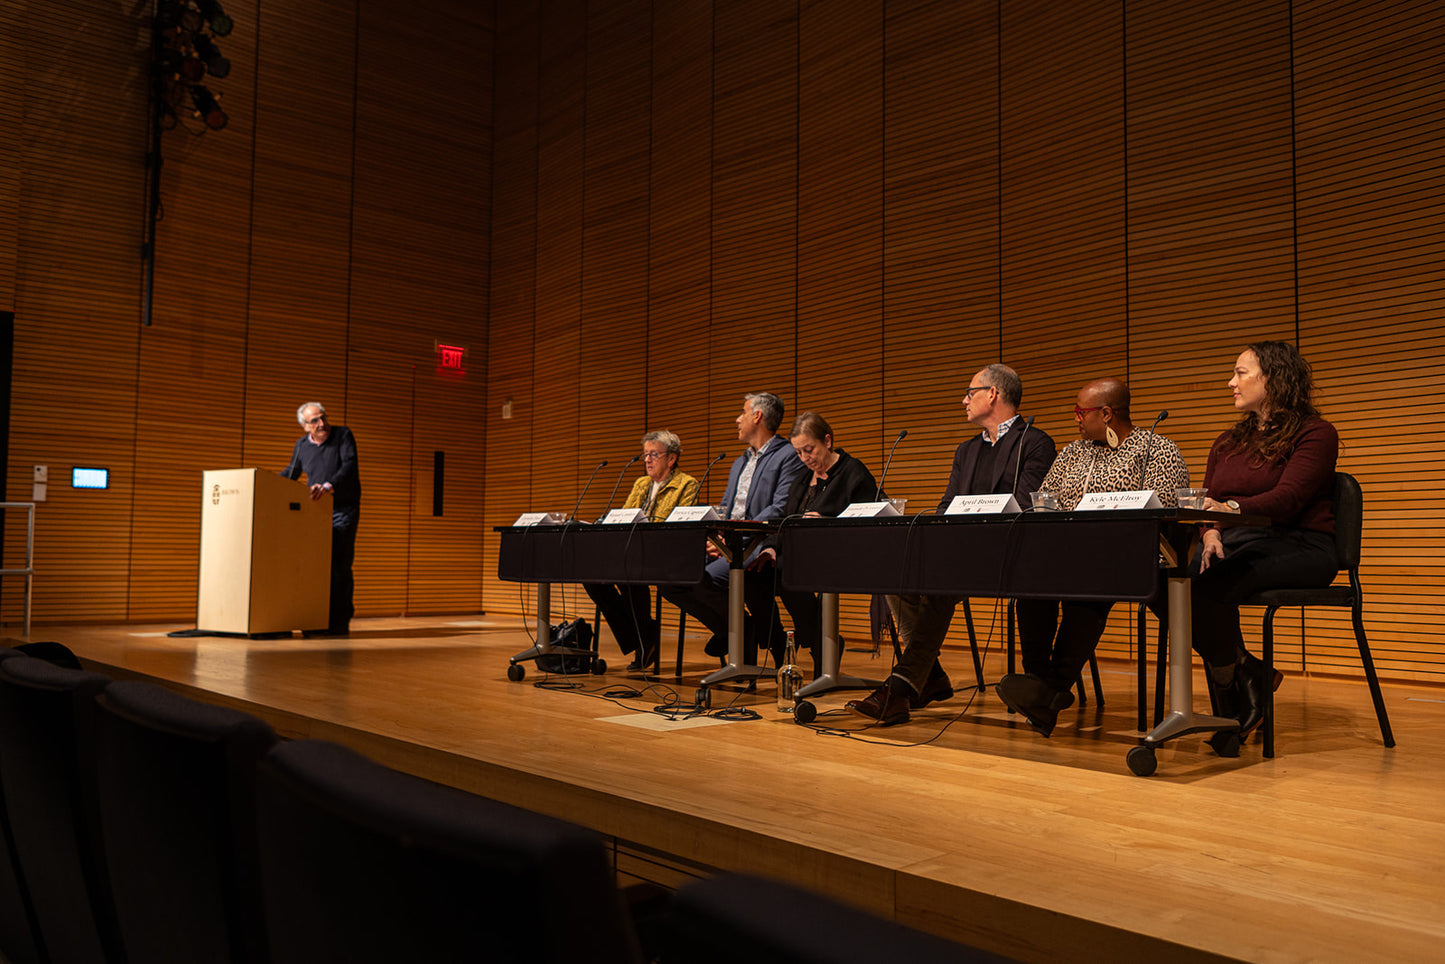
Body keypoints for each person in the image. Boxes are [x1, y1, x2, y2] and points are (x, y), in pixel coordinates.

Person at [847, 364, 1056, 724]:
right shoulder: (966, 450)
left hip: (1007, 552)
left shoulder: (1035, 442)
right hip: (959, 549)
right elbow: (946, 506)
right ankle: (928, 674)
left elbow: (1023, 505)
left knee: (944, 583)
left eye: (970, 392)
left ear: (993, 394)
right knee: (894, 572)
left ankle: (900, 688)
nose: (964, 400)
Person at [993, 377, 1190, 736]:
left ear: (1107, 413)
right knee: (1030, 580)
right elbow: (1044, 500)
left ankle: (1048, 692)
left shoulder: (1157, 449)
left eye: (1081, 412)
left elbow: (1168, 505)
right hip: (1067, 552)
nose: (1076, 419)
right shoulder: (1072, 452)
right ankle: (1040, 683)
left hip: (1128, 555)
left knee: (1090, 585)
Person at [1190, 341, 1339, 739]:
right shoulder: (1226, 442)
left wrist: (1228, 514)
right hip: (1240, 543)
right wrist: (1209, 535)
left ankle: (1232, 712)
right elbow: (1209, 502)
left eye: (1240, 373)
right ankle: (1250, 674)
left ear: (1273, 378)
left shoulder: (1316, 433)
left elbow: (1288, 499)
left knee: (1204, 589)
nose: (1230, 383)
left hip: (1303, 544)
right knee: (1169, 581)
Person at [660, 392, 807, 665]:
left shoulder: (788, 455)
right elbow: (726, 508)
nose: (737, 419)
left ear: (758, 416)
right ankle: (735, 630)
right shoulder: (740, 461)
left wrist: (733, 536)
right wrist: (716, 536)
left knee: (703, 577)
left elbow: (780, 507)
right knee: (671, 580)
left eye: (742, 412)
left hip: (758, 544)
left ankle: (765, 639)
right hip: (729, 543)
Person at [746, 412, 879, 676]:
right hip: (798, 556)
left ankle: (818, 643)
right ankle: (780, 646)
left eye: (809, 450)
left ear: (827, 441)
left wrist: (828, 522)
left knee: (787, 572)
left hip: (843, 555)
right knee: (754, 575)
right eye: (798, 453)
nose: (805, 458)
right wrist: (771, 546)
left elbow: (873, 515)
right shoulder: (802, 479)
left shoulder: (853, 472)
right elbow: (784, 520)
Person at [585, 430, 699, 671]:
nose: (647, 460)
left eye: (654, 454)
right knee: (591, 576)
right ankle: (642, 638)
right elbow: (625, 517)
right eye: (645, 454)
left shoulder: (687, 484)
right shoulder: (641, 483)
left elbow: (680, 525)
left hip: (663, 553)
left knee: (630, 576)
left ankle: (644, 639)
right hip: (633, 551)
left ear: (671, 458)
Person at [282, 402, 360, 636]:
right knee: (315, 564)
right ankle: (317, 618)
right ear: (305, 426)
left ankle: (339, 622)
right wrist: (261, 482)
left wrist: (328, 486)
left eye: (323, 418)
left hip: (343, 509)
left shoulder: (343, 435)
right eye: (315, 421)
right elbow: (292, 473)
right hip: (316, 511)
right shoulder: (301, 446)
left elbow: (349, 465)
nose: (322, 424)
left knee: (339, 563)